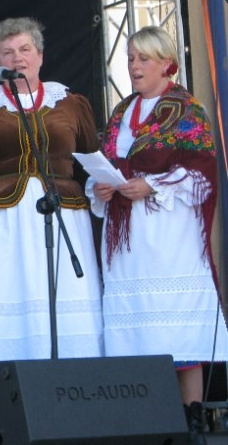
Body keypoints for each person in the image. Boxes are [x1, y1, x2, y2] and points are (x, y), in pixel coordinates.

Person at [88, 26, 228, 444]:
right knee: (137, 332)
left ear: (167, 63)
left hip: (170, 236)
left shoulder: (186, 109)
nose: (134, 66)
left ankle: (192, 422)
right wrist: (101, 187)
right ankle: (144, 423)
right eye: (130, 58)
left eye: (143, 58)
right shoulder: (121, 111)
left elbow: (202, 171)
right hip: (127, 240)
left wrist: (153, 184)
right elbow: (107, 161)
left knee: (177, 330)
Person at [0, 17, 104, 383]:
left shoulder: (72, 104)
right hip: (5, 227)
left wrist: (105, 187)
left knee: (64, 306)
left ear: (40, 56)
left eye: (25, 49)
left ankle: (71, 388)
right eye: (7, 52)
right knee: (11, 302)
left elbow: (92, 164)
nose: (17, 58)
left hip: (65, 222)